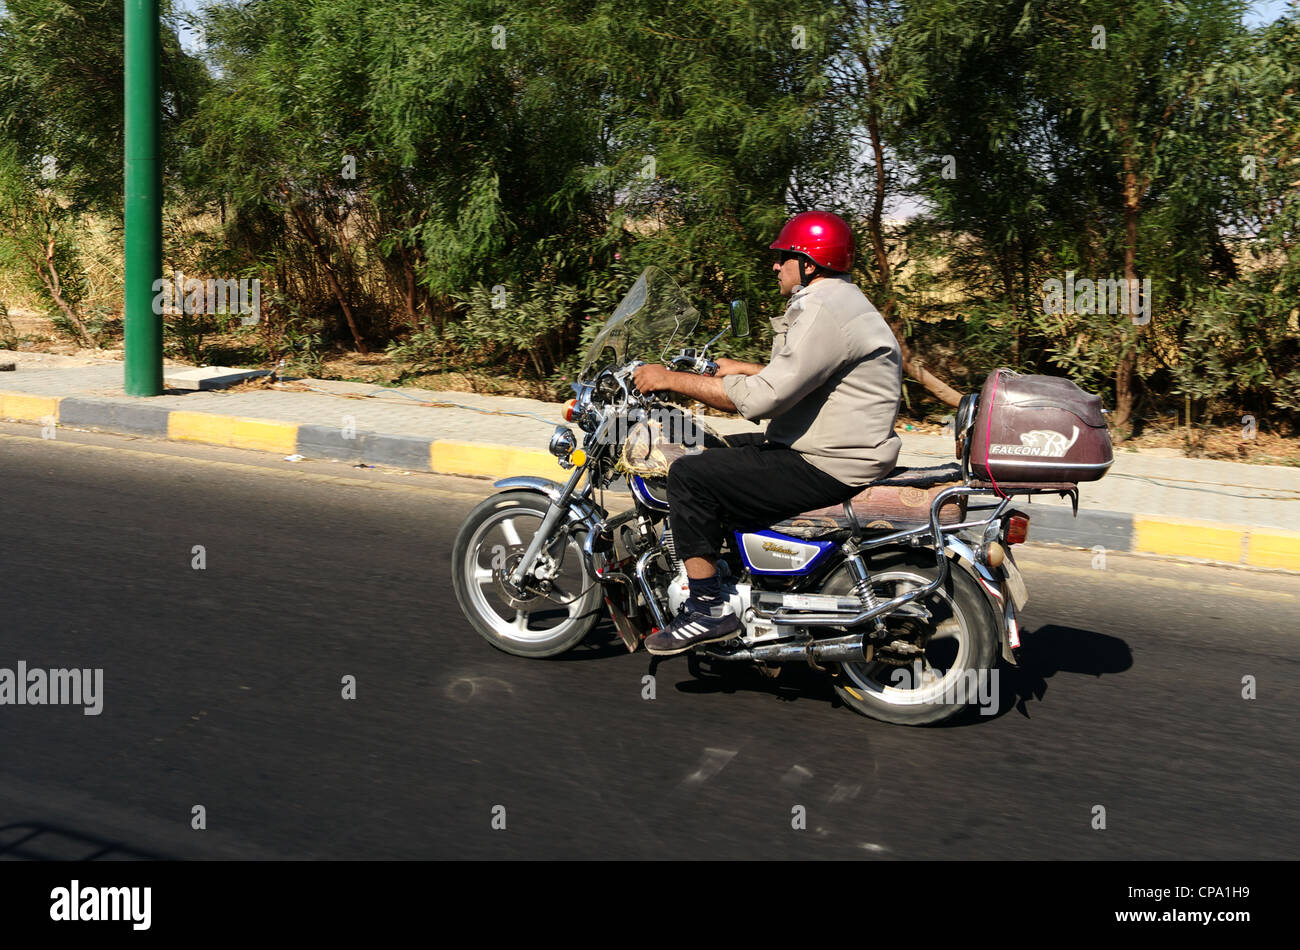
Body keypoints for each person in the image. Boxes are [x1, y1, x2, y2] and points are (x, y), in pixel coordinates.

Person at [631, 210, 903, 656]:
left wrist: (668, 379)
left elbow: (762, 401)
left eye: (783, 257)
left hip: (828, 460)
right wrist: (743, 369)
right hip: (835, 446)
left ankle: (705, 611)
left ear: (809, 263)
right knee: (713, 449)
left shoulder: (822, 306)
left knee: (689, 475)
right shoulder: (841, 300)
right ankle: (734, 570)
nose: (775, 266)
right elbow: (810, 378)